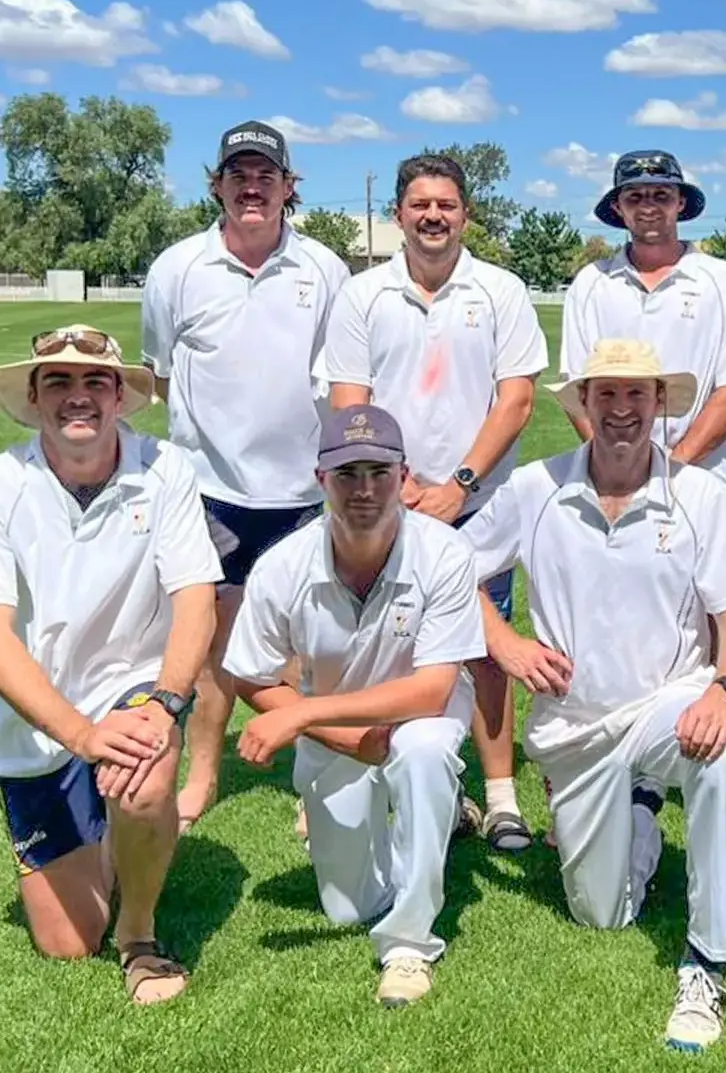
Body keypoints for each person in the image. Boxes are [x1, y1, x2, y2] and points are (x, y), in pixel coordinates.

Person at [458, 340, 726, 1053]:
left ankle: (708, 959)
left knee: (723, 760)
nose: (622, 411)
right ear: (585, 404)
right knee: (603, 915)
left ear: (659, 404)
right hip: (576, 728)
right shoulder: (536, 488)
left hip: (669, 703)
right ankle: (642, 812)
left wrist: (723, 689)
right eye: (607, 396)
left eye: (637, 396)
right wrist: (504, 642)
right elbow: (450, 572)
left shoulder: (700, 494)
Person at [0, 325, 221, 1003]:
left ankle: (140, 937)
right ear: (34, 399)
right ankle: (101, 835)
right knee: (66, 944)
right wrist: (82, 738)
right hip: (41, 720)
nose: (78, 397)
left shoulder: (165, 470)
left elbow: (196, 601)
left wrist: (164, 705)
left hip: (133, 685)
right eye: (58, 382)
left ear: (120, 395)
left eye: (95, 382)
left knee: (147, 774)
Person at [222, 405, 487, 1008]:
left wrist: (302, 715)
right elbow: (251, 675)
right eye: (347, 474)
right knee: (347, 907)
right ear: (321, 481)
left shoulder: (444, 553)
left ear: (404, 475)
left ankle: (409, 944)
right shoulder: (281, 567)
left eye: (378, 471)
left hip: (420, 714)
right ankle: (440, 817)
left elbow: (433, 690)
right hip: (336, 733)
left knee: (420, 754)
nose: (364, 489)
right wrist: (336, 732)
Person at [323, 152, 550, 853]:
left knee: (486, 644)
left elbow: (515, 400)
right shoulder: (363, 295)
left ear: (466, 214)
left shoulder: (501, 291)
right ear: (398, 214)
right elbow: (347, 401)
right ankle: (424, 788)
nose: (433, 216)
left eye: (446, 205)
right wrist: (395, 484)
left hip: (477, 502)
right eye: (419, 204)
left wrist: (459, 486)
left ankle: (502, 797)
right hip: (383, 503)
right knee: (394, 648)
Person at [142, 119, 348, 831]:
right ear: (217, 186)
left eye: (266, 175)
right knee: (206, 651)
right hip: (209, 492)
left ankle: (314, 780)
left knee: (311, 645)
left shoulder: (325, 270)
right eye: (238, 176)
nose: (251, 187)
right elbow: (162, 376)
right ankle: (203, 776)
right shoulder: (176, 269)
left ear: (289, 188)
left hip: (304, 492)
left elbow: (342, 375)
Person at [561, 149, 726, 505]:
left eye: (661, 195)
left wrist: (669, 469)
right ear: (618, 207)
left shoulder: (723, 280)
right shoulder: (591, 283)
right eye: (634, 196)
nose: (648, 206)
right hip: (612, 480)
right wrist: (622, 466)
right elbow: (578, 391)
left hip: (701, 478)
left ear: (680, 202)